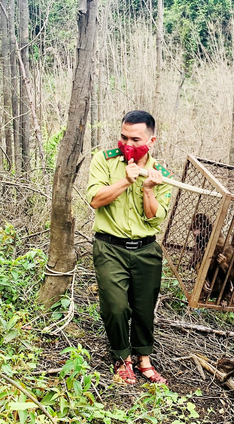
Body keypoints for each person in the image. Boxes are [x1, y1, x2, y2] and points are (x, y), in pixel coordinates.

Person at [87, 110, 173, 385]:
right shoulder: (104, 160)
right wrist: (126, 180)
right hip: (110, 247)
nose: (128, 144)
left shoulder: (160, 173)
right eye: (124, 137)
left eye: (135, 139)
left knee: (144, 308)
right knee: (115, 307)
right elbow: (95, 200)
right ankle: (122, 357)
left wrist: (148, 189)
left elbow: (155, 216)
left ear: (152, 139)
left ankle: (143, 358)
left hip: (146, 250)